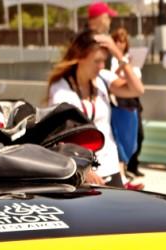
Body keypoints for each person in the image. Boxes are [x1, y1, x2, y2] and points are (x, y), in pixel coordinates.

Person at [47, 30, 144, 187]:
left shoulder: (103, 78)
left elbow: (137, 89)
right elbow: (59, 136)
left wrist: (118, 54)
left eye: (104, 61)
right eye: (96, 61)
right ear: (80, 58)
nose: (101, 66)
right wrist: (83, 169)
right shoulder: (60, 89)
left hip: (110, 167)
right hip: (82, 173)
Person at [110, 27, 144, 189]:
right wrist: (122, 65)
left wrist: (127, 66)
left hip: (131, 103)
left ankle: (126, 172)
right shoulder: (110, 60)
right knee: (118, 141)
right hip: (117, 103)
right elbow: (110, 77)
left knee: (133, 140)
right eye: (116, 41)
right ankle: (122, 176)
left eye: (122, 41)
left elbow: (137, 83)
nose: (119, 44)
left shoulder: (131, 60)